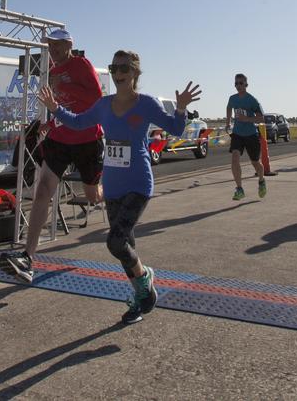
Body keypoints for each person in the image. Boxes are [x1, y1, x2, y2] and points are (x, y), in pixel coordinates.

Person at [35, 49, 200, 324]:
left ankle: (145, 276)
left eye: (124, 68)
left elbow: (176, 129)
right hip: (112, 186)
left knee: (116, 241)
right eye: (114, 69)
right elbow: (77, 122)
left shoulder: (145, 104)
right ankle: (142, 298)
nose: (118, 74)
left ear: (135, 72)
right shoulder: (103, 104)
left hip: (138, 183)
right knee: (126, 246)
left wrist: (181, 108)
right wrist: (55, 110)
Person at [0, 28, 103, 285]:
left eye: (57, 45)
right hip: (61, 139)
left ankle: (108, 192)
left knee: (92, 196)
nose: (52, 50)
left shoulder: (81, 65)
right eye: (49, 46)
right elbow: (64, 106)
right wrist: (50, 123)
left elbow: (95, 98)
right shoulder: (53, 72)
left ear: (68, 44)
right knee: (42, 190)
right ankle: (27, 257)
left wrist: (65, 88)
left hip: (88, 139)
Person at [225, 73, 267, 201]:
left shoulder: (252, 100)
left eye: (241, 83)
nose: (238, 86)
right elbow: (229, 107)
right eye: (236, 83)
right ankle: (239, 189)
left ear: (246, 85)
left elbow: (261, 117)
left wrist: (247, 119)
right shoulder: (232, 98)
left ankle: (261, 181)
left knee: (255, 162)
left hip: (251, 135)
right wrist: (228, 122)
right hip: (237, 133)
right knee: (234, 159)